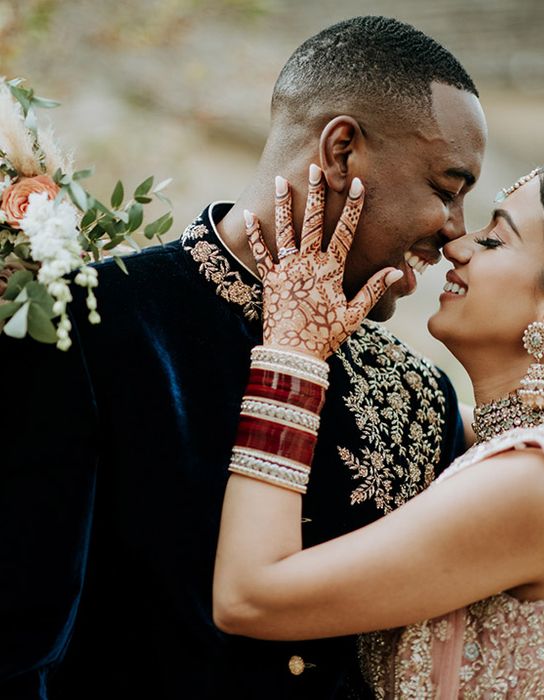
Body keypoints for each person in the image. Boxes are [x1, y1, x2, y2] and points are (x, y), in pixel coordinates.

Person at [0, 17, 486, 699]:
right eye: (446, 186)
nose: (456, 231)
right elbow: (17, 650)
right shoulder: (90, 323)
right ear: (342, 150)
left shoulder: (421, 396)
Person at [212, 160, 544, 698]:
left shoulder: (534, 483)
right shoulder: (522, 456)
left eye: (496, 239)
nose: (456, 245)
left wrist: (293, 352)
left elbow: (250, 596)